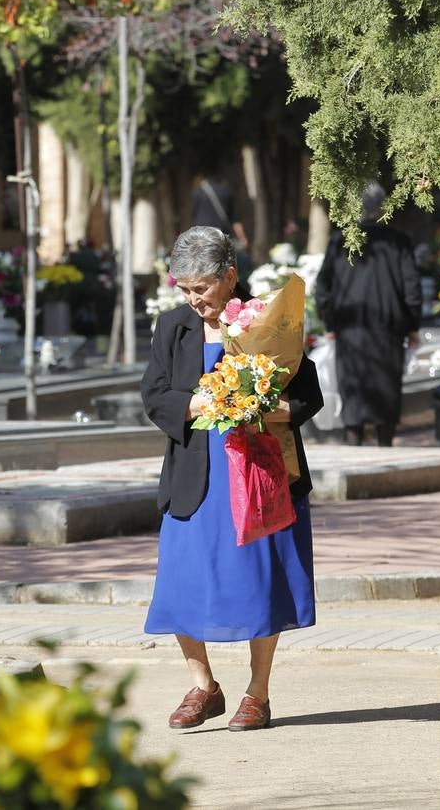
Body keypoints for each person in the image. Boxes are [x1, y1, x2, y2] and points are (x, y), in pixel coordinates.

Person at [141, 225, 323, 732]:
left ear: (230, 276)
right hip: (194, 473)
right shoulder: (172, 328)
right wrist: (196, 403)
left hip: (257, 470)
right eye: (184, 288)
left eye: (202, 287)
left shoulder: (266, 319)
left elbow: (308, 394)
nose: (194, 298)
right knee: (180, 581)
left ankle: (257, 694)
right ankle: (204, 686)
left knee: (260, 581)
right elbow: (155, 394)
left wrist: (268, 407)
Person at [314, 183, 423, 447]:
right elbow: (412, 288)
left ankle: (354, 440)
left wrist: (329, 322)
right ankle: (385, 442)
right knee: (386, 387)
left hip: (348, 327)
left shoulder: (341, 240)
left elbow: (323, 287)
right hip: (389, 327)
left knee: (353, 388)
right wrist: (412, 325)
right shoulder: (399, 241)